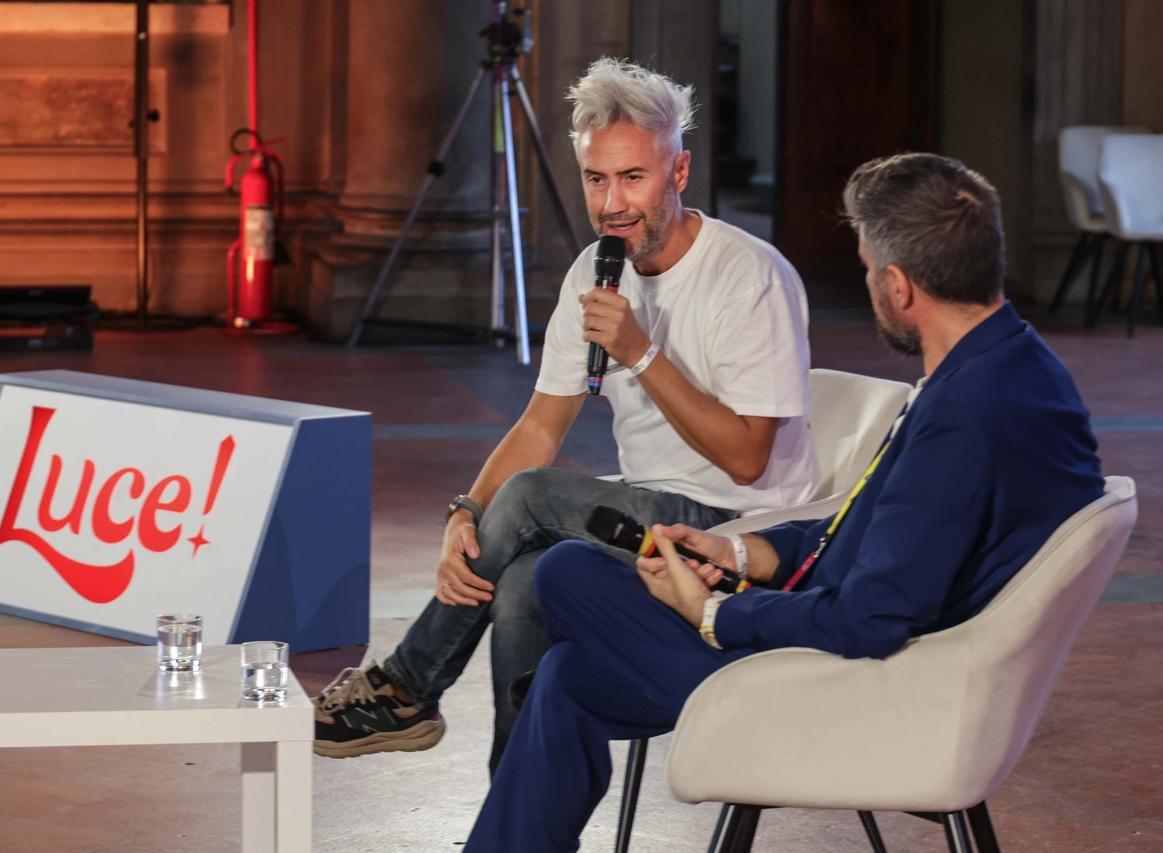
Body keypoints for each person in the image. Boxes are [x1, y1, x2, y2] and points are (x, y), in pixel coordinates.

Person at [460, 152, 1106, 852]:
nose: (867, 283)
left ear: (898, 285)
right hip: (841, 630)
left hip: (852, 681)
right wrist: (743, 551)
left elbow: (869, 619)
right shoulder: (1011, 367)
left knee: (564, 580)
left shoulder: (967, 414)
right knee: (567, 667)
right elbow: (882, 525)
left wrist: (710, 611)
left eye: (865, 269)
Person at [314, 58, 819, 770]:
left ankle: (408, 684)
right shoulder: (594, 271)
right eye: (595, 179)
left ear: (678, 173)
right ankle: (516, 813)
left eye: (633, 177)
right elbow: (539, 427)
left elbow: (747, 459)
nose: (613, 203)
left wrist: (641, 354)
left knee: (532, 499)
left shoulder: (749, 275)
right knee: (519, 582)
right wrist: (465, 512)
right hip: (647, 521)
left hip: (742, 537)